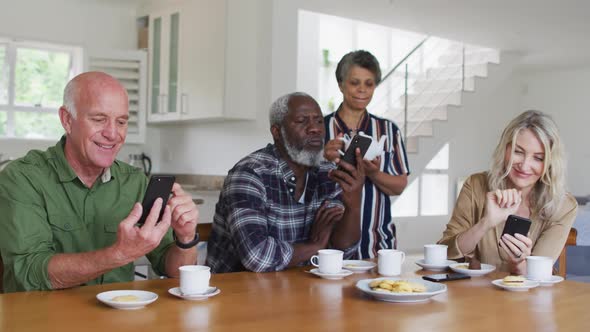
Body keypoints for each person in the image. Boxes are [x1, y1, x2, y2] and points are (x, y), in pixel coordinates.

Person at [0, 72, 199, 293]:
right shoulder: (22, 178)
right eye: (99, 119)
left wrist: (185, 238)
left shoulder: (134, 181)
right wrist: (119, 254)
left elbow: (172, 268)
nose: (113, 134)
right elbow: (28, 273)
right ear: (67, 120)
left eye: (121, 121)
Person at [206, 92, 365, 273]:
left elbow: (343, 251)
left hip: (301, 289)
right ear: (277, 132)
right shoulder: (249, 174)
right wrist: (316, 246)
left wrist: (354, 204)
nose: (315, 129)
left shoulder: (327, 173)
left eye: (319, 121)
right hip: (237, 294)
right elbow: (257, 257)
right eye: (301, 121)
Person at [438, 110, 577, 274]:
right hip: (473, 296)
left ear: (550, 163)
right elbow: (444, 254)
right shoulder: (476, 185)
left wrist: (519, 263)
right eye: (518, 152)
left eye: (538, 158)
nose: (524, 166)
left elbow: (539, 275)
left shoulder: (564, 206)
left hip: (528, 298)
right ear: (505, 149)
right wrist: (485, 223)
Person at [324, 50, 410, 259]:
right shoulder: (320, 128)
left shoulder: (388, 130)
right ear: (341, 84)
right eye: (355, 82)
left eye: (369, 84)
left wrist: (373, 173)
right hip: (328, 245)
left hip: (378, 245)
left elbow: (399, 185)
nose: (362, 90)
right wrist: (320, 158)